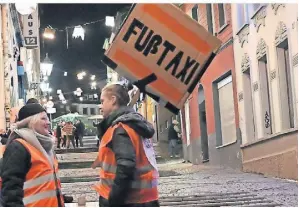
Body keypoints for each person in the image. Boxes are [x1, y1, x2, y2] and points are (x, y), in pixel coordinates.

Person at [92, 83, 159, 207]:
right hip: (144, 198)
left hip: (128, 200)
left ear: (113, 100)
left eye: (102, 101)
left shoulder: (121, 128)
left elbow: (126, 166)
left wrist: (114, 199)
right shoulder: (135, 124)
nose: (100, 106)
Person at [0, 103, 65, 206]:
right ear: (31, 121)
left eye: (47, 118)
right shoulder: (18, 147)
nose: (48, 122)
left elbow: (48, 183)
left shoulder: (46, 147)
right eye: (43, 118)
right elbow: (10, 193)